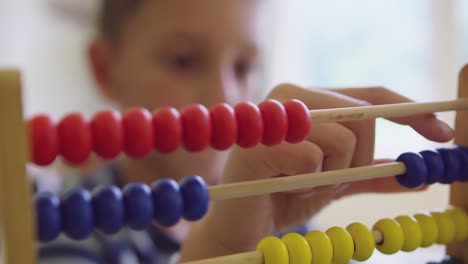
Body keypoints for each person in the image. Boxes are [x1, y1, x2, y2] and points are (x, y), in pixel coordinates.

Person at [38, 0, 455, 263]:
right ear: (104, 69)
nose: (225, 94)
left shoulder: (278, 223)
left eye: (243, 67)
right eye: (183, 61)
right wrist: (218, 248)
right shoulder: (65, 232)